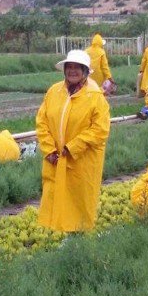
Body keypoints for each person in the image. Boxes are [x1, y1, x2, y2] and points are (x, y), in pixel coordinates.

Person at [36, 49, 110, 232]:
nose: (73, 71)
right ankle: (61, 236)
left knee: (79, 199)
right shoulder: (54, 91)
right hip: (56, 158)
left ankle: (79, 238)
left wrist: (73, 147)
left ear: (85, 71)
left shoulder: (95, 96)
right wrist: (49, 150)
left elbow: (100, 130)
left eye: (78, 67)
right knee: (57, 198)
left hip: (81, 161)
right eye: (69, 67)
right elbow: (42, 122)